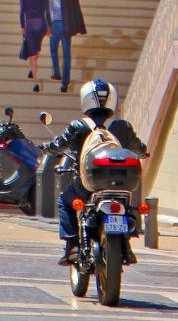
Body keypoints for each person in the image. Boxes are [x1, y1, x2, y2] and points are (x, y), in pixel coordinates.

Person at [48, 77, 148, 265]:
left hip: (86, 186)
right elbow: (139, 148)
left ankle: (73, 245)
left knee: (64, 200)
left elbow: (58, 145)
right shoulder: (122, 126)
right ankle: (127, 241)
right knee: (128, 205)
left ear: (85, 98)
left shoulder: (78, 126)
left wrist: (48, 147)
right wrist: (144, 152)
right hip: (120, 185)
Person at [45, 0, 86, 92]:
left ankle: (57, 72)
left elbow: (47, 11)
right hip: (66, 25)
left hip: (55, 24)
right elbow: (76, 10)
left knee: (53, 48)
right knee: (67, 53)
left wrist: (48, 26)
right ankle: (65, 82)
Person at [18, 0, 52, 92]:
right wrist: (49, 27)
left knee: (33, 55)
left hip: (30, 25)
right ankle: (31, 70)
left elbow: (22, 12)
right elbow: (47, 12)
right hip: (41, 24)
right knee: (36, 50)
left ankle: (35, 82)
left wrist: (22, 26)